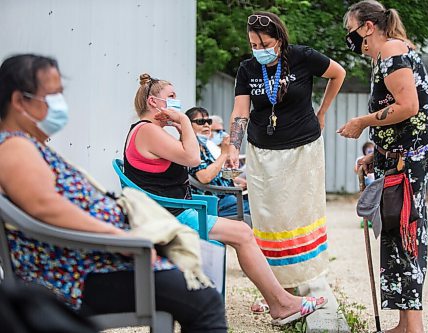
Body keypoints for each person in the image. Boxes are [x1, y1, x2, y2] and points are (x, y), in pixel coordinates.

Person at [0, 54, 227, 332]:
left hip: (95, 259)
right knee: (205, 299)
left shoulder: (26, 144)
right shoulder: (14, 148)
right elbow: (46, 207)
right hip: (77, 274)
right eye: (52, 94)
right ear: (19, 101)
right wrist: (119, 238)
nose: (60, 103)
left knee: (202, 278)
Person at [123, 73, 327, 325]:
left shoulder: (148, 131)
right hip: (170, 217)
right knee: (242, 233)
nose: (176, 101)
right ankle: (281, 304)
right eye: (171, 97)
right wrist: (186, 123)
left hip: (170, 211)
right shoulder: (147, 131)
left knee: (242, 232)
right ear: (154, 102)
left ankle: (281, 302)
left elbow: (186, 157)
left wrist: (182, 127)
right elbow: (193, 159)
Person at [227, 11, 346, 299]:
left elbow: (338, 73)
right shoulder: (247, 69)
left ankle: (299, 280)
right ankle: (277, 289)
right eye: (254, 46)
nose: (260, 51)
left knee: (298, 212)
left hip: (303, 148)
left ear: (279, 40)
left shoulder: (302, 56)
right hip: (262, 151)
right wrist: (233, 145)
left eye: (265, 45)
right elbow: (241, 111)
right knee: (269, 217)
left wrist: (322, 111)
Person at [339, 2, 428, 332]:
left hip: (407, 164)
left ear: (367, 27)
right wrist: (375, 154)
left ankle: (414, 328)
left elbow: (409, 106)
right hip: (394, 159)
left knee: (406, 236)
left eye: (351, 30)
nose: (349, 39)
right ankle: (404, 324)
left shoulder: (392, 49)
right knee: (395, 236)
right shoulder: (388, 54)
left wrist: (362, 122)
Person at [185, 107, 250, 217]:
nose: (206, 125)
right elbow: (204, 177)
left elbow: (216, 172)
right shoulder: (192, 148)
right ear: (188, 125)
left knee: (260, 200)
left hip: (227, 196)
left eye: (208, 121)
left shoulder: (203, 146)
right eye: (200, 122)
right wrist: (224, 154)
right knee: (261, 207)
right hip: (216, 201)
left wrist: (236, 179)